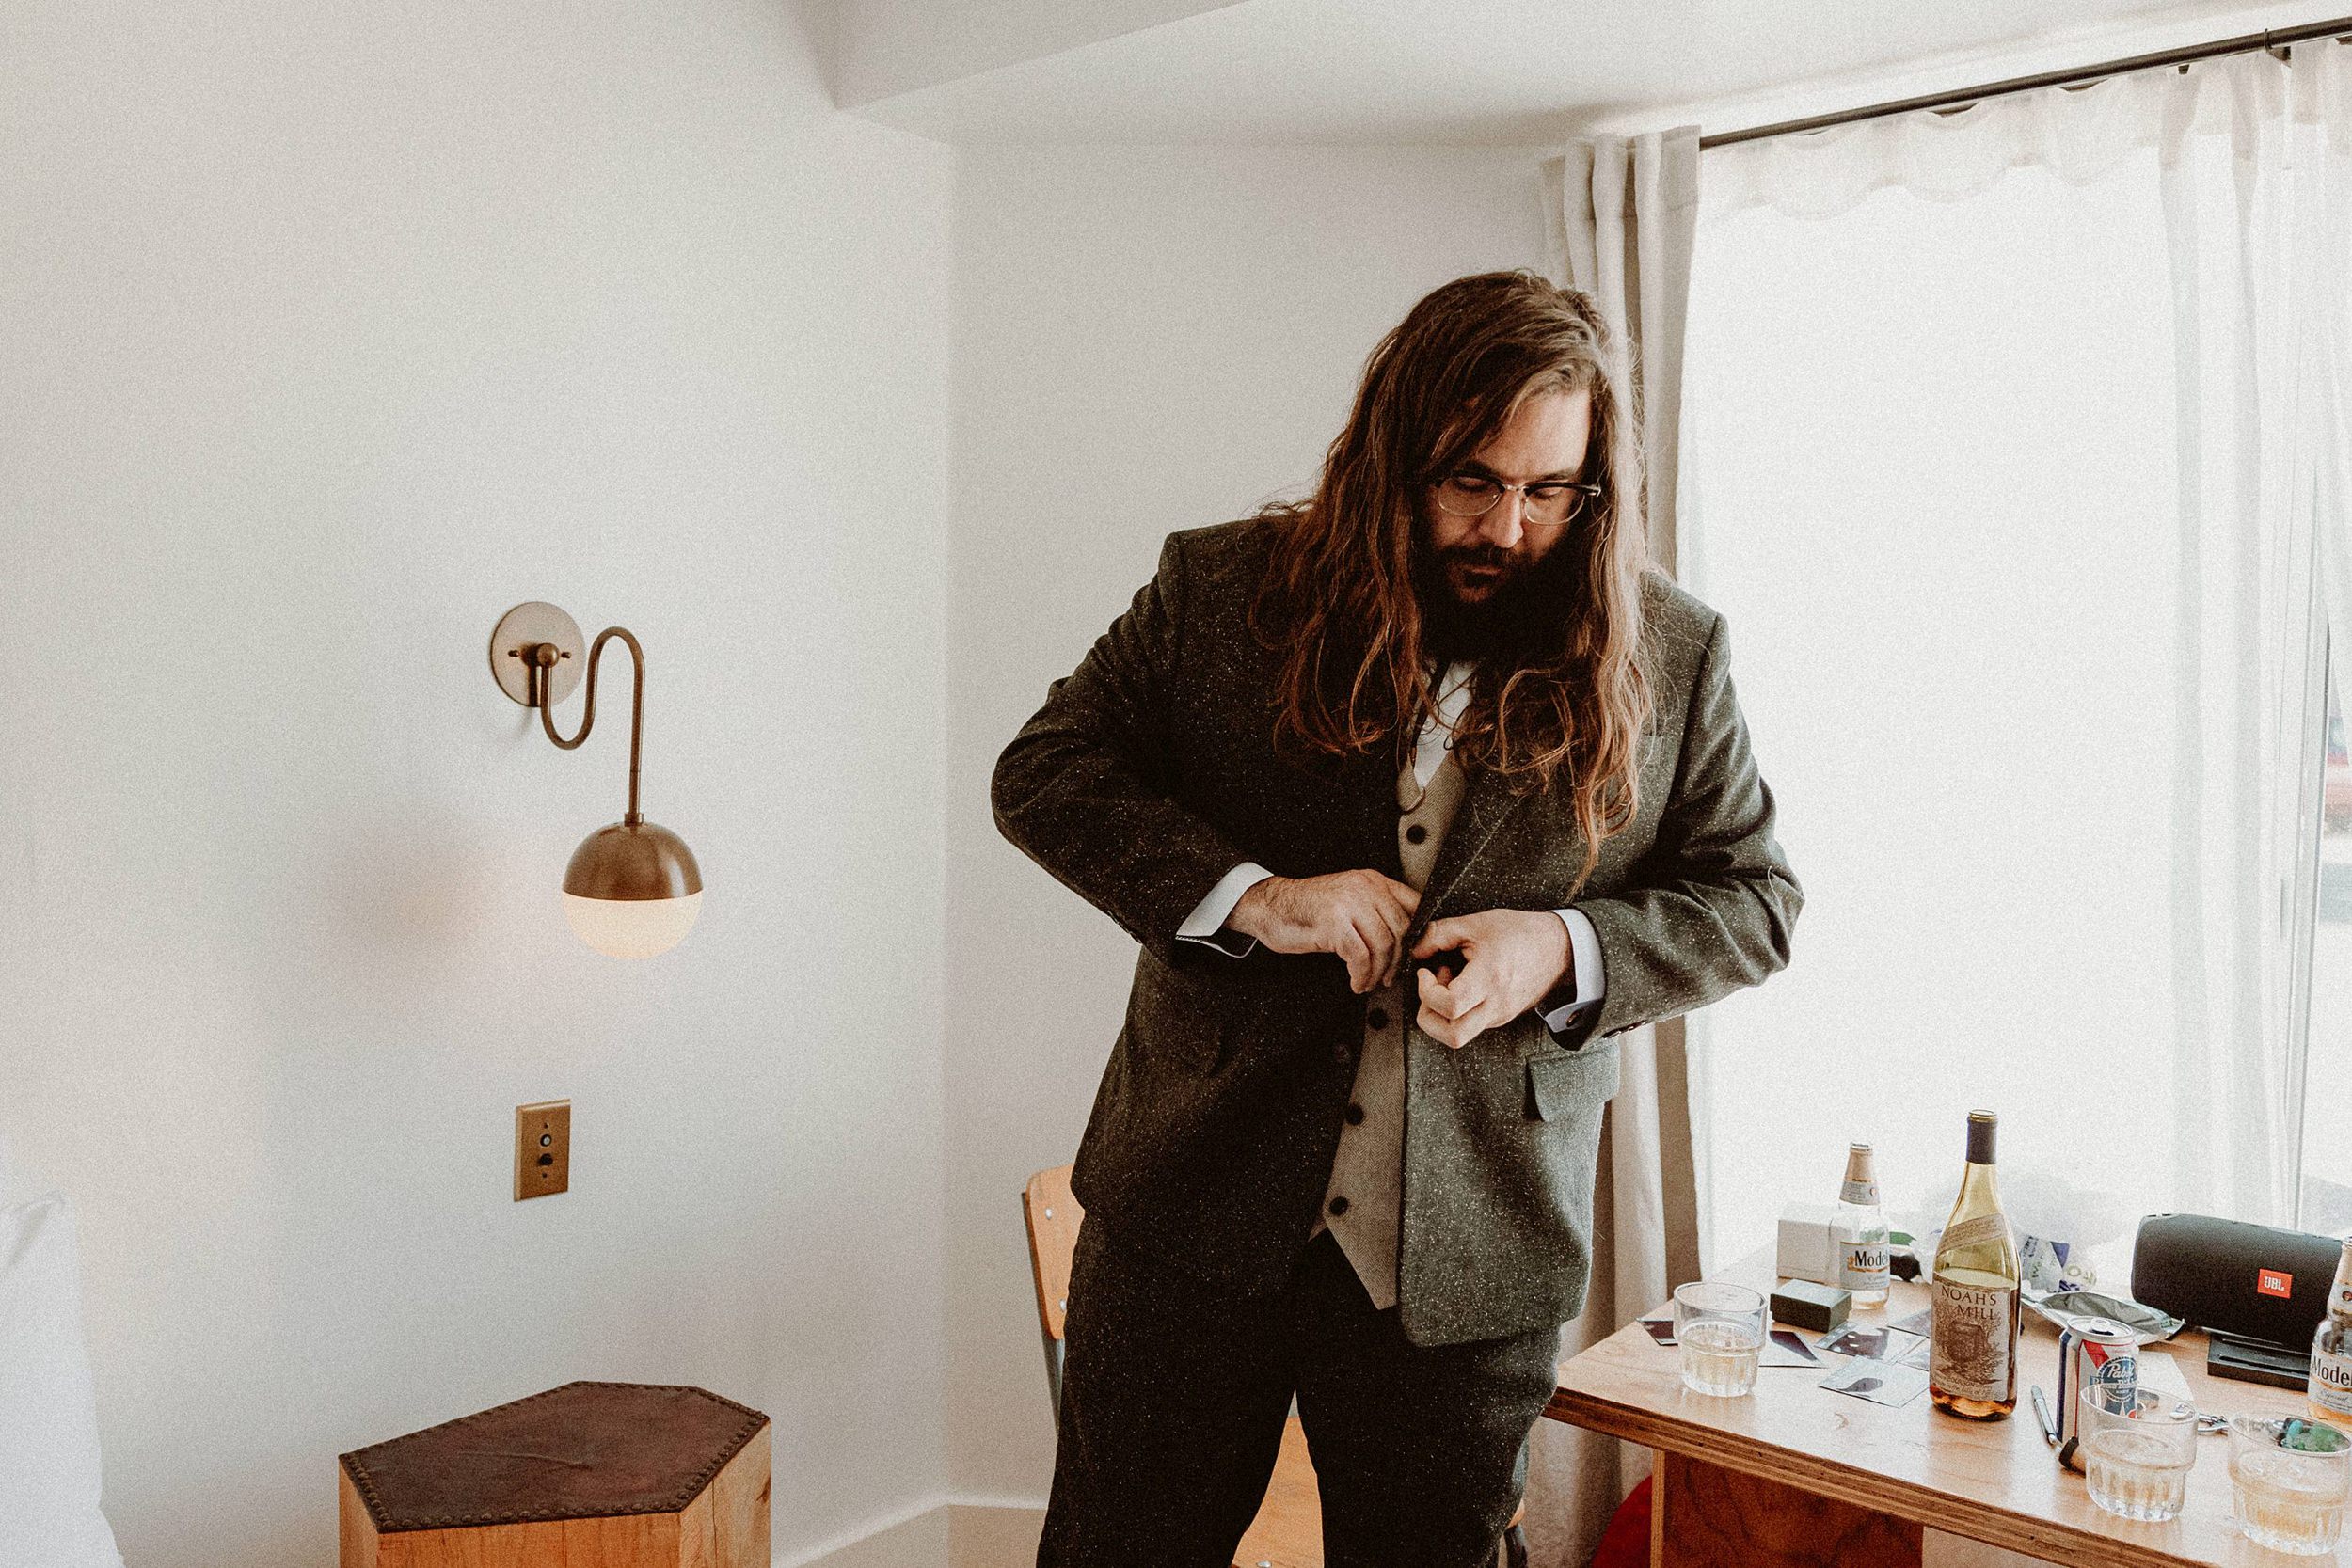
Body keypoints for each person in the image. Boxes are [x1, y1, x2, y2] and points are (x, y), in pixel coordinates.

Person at [991, 268, 1802, 1568]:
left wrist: (1564, 947)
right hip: (1188, 1222)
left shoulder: (1673, 650)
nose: (1507, 527)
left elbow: (1755, 899)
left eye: (1552, 493)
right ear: (1390, 456)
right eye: (1468, 482)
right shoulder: (1219, 590)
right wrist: (1257, 899)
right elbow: (1043, 775)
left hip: (1473, 1263)